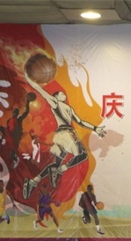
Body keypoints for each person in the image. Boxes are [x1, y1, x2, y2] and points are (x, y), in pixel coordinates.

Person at [22, 68, 106, 198]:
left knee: (55, 163)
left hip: (60, 137)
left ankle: (33, 181)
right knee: (82, 155)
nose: (63, 94)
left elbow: (81, 122)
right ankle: (60, 170)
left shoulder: (69, 109)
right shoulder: (55, 102)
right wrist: (28, 78)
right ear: (56, 97)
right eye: (61, 93)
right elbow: (40, 90)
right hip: (66, 134)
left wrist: (95, 128)